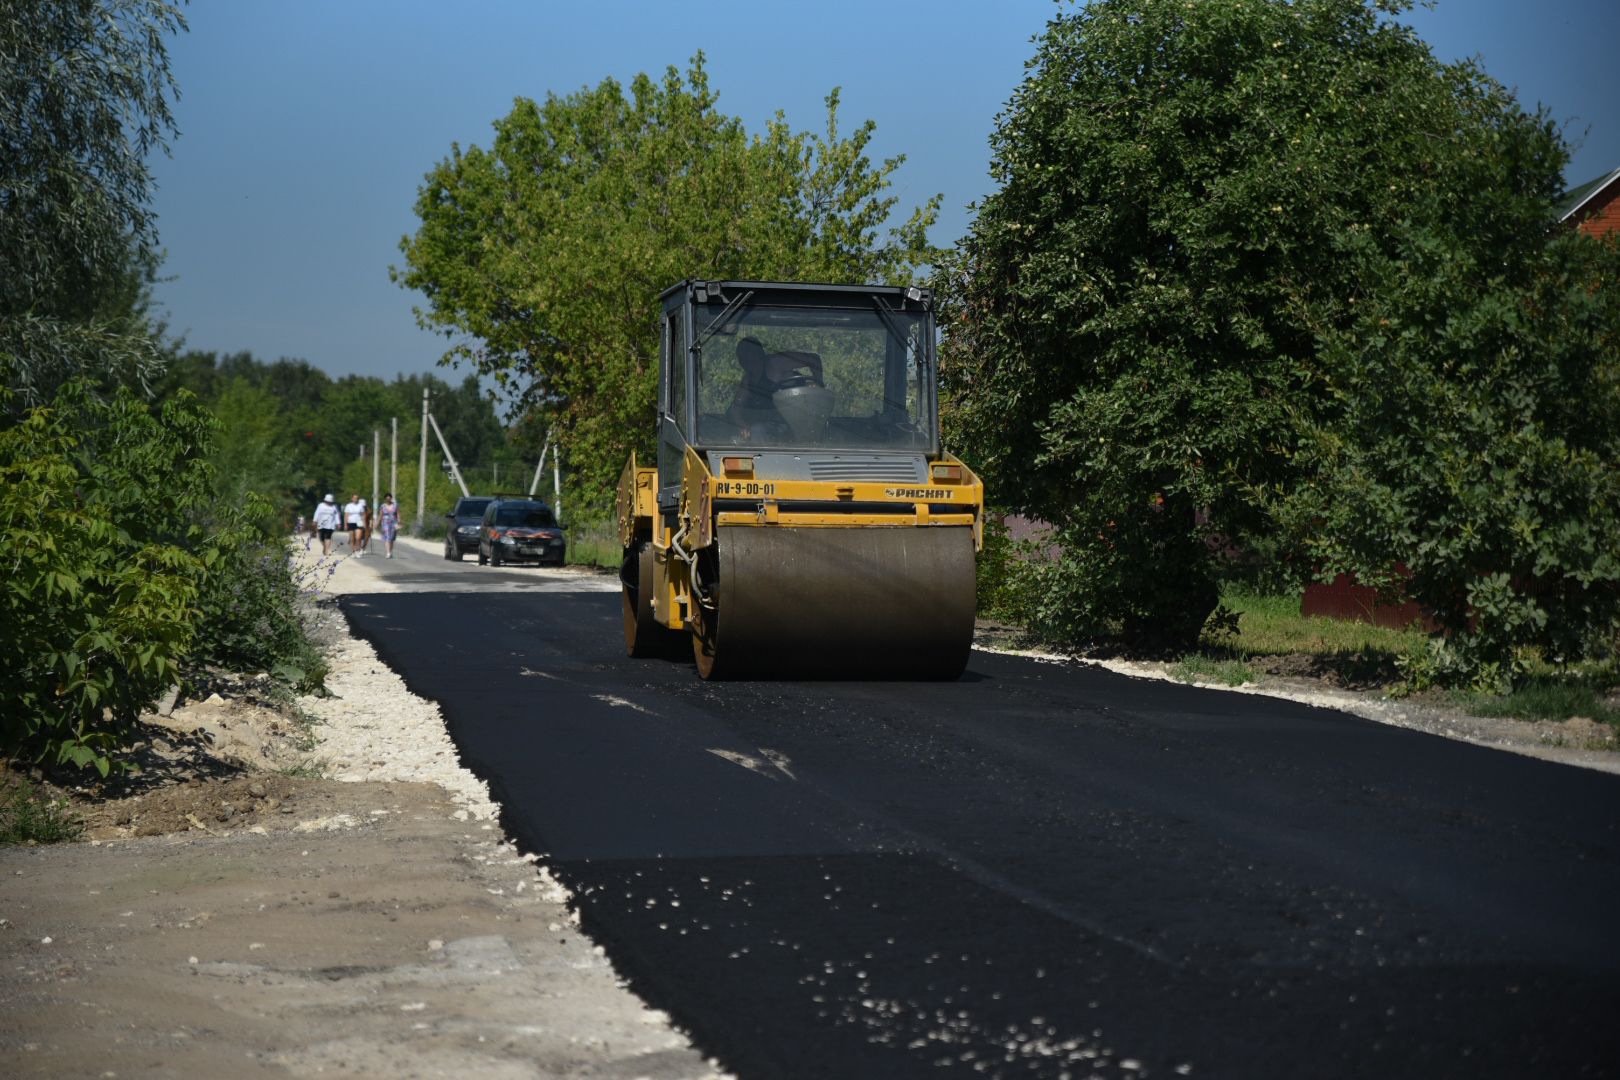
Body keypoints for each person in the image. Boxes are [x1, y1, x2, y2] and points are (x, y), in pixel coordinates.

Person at [378, 493, 400, 559]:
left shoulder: (395, 505)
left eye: (389, 498)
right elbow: (381, 515)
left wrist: (399, 520)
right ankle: (388, 553)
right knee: (387, 537)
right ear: (385, 499)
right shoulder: (382, 506)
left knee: (392, 538)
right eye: (387, 498)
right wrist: (378, 523)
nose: (388, 499)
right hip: (385, 523)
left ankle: (390, 552)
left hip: (394, 522)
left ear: (391, 498)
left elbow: (398, 513)